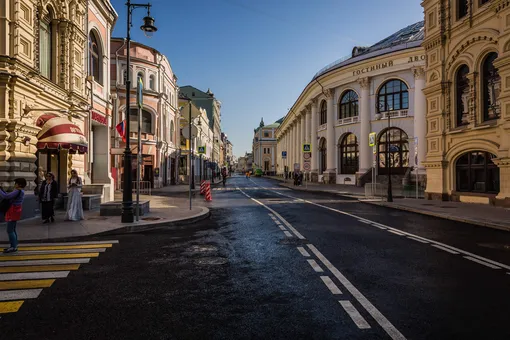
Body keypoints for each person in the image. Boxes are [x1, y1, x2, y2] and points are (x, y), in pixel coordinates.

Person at [0, 178, 27, 253]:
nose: (15, 184)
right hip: (16, 211)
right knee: (13, 229)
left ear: (20, 184)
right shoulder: (20, 191)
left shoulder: (18, 191)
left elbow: (6, 196)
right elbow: (7, 195)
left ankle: (13, 247)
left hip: (13, 211)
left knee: (10, 230)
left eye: (16, 183)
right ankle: (14, 245)